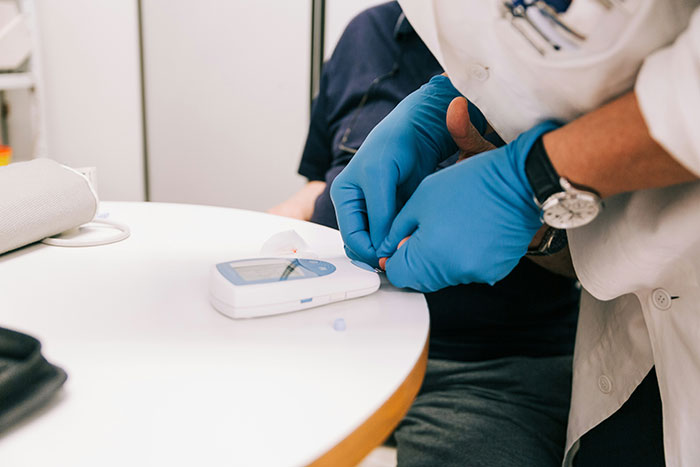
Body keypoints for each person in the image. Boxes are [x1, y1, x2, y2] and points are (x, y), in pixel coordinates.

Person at [331, 1, 700, 465]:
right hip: (625, 338)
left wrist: (533, 177)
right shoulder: (369, 37)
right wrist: (475, 97)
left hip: (501, 369)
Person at [271, 3, 581, 466]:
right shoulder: (368, 34)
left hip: (481, 372)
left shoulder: (556, 36)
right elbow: (321, 181)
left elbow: (609, 249)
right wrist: (262, 236)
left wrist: (526, 210)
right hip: (332, 347)